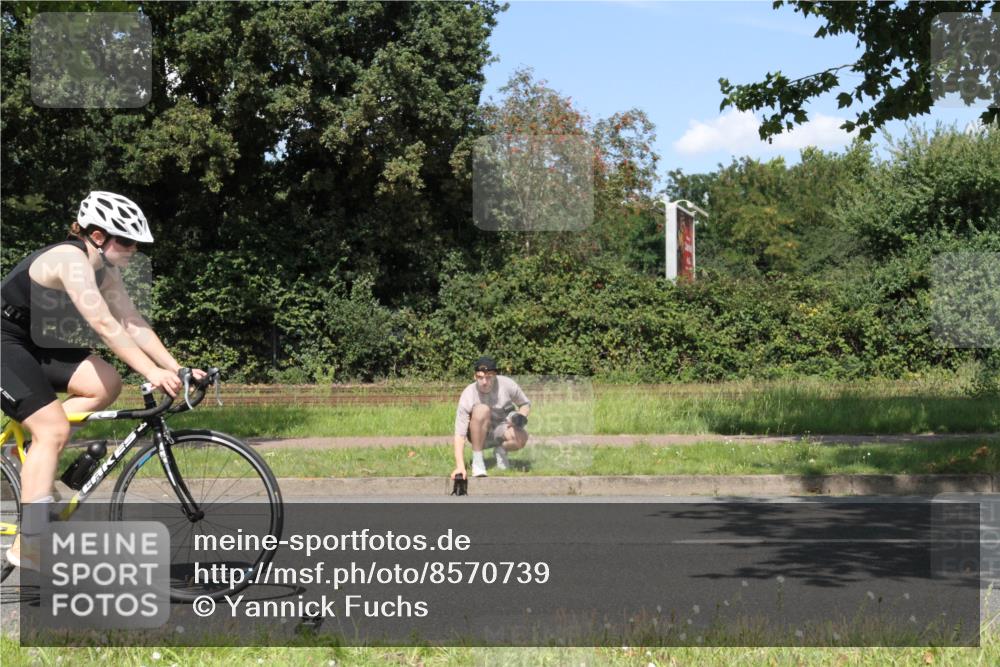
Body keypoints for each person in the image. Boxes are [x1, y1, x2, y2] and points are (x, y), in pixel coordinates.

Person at [1, 191, 203, 568]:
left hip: (29, 344)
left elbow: (132, 323)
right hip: (3, 341)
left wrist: (175, 368)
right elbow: (105, 325)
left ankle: (24, 454)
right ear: (97, 236)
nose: (132, 250)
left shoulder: (103, 271)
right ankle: (27, 542)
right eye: (125, 241)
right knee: (54, 430)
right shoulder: (70, 260)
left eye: (136, 243)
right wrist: (150, 372)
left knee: (106, 383)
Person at [451, 356, 530, 479]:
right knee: (482, 409)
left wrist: (520, 416)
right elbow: (459, 435)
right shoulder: (468, 394)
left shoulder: (507, 384)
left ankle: (501, 450)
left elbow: (524, 404)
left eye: (489, 377)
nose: (484, 382)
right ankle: (478, 462)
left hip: (501, 429)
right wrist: (460, 466)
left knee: (522, 437)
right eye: (480, 377)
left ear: (495, 376)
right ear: (474, 376)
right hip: (478, 434)